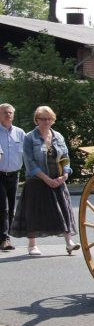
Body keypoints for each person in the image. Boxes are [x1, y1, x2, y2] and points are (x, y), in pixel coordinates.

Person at [10, 106, 78, 256]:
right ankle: (32, 245)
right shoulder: (30, 137)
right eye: (42, 119)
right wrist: (46, 179)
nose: (46, 121)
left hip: (58, 180)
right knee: (34, 213)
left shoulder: (58, 136)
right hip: (37, 181)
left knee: (64, 211)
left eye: (49, 119)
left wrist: (65, 175)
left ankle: (69, 243)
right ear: (37, 120)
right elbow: (29, 162)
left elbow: (65, 157)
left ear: (53, 120)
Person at [0, 104, 25, 252]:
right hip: (0, 175)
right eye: (4, 112)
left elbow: (27, 153)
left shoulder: (20, 133)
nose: (8, 115)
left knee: (11, 208)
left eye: (10, 113)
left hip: (14, 175)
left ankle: (5, 236)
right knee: (3, 207)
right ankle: (4, 239)